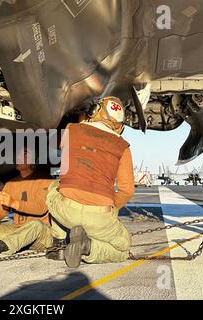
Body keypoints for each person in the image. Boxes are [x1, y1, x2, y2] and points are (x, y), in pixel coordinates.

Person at [46, 96, 135, 268]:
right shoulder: (123, 147)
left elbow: (51, 142)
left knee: (53, 187)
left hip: (66, 211)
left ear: (94, 111)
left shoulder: (72, 130)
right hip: (99, 217)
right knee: (123, 249)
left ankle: (58, 242)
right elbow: (127, 190)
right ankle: (87, 248)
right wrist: (111, 207)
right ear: (120, 125)